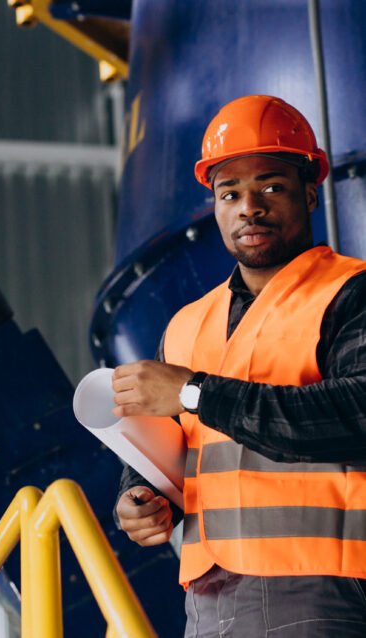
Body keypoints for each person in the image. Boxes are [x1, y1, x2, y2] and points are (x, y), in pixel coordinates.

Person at [112, 95, 366, 637]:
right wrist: (142, 498)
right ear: (216, 209)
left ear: (311, 193)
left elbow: (357, 414)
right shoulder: (186, 324)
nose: (249, 207)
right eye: (230, 193)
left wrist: (194, 393)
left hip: (323, 588)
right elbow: (173, 448)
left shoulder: (350, 293)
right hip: (208, 596)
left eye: (270, 186)